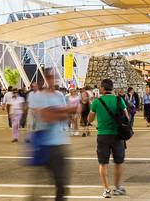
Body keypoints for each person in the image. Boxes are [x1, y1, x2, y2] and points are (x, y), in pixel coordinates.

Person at [29, 70, 77, 201]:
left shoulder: (59, 95)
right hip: (46, 145)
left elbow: (66, 115)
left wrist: (56, 111)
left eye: (53, 77)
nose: (51, 80)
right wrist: (65, 111)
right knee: (48, 185)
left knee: (61, 184)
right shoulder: (39, 96)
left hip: (61, 143)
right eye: (48, 77)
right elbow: (47, 117)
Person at [88, 79, 129, 198]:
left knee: (103, 163)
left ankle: (106, 189)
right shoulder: (119, 99)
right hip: (117, 135)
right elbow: (127, 116)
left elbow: (89, 120)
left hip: (102, 135)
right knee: (118, 162)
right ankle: (117, 187)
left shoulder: (97, 102)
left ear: (102, 88)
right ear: (112, 88)